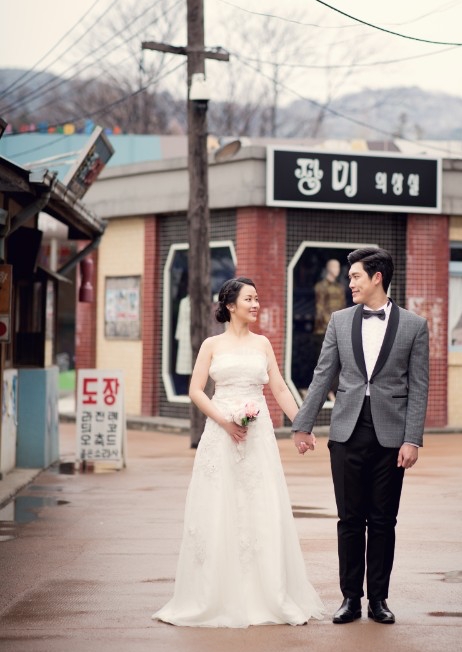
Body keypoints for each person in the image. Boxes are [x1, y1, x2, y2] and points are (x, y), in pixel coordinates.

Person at [154, 277, 326, 627]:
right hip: (221, 435)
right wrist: (225, 422)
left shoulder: (263, 343)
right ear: (230, 305)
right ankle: (216, 594)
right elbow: (196, 390)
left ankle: (266, 593)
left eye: (257, 298)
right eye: (249, 298)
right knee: (220, 506)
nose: (255, 304)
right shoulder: (211, 345)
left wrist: (301, 425)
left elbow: (278, 388)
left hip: (257, 435)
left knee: (259, 504)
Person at [292, 247, 429, 625]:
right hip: (346, 432)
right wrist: (303, 424)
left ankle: (379, 600)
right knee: (350, 519)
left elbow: (419, 387)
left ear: (376, 278)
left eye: (354, 276)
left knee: (384, 521)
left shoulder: (414, 326)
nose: (348, 282)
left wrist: (412, 438)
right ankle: (350, 598)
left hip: (391, 436)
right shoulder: (339, 321)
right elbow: (323, 375)